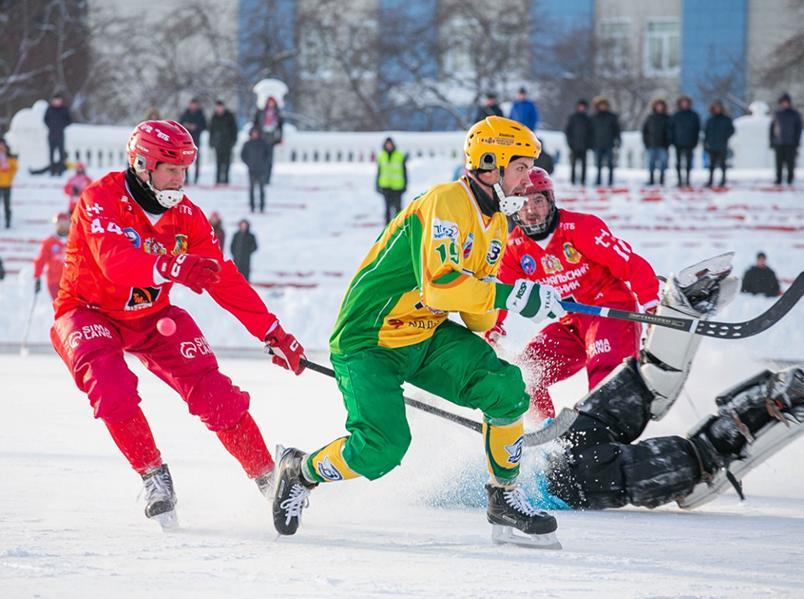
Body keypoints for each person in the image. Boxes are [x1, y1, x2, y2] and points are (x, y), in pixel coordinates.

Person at [269, 116, 566, 549]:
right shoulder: (446, 201)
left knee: (504, 387)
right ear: (491, 162)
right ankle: (300, 470)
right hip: (368, 340)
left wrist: (524, 300)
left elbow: (477, 317)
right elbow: (441, 286)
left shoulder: (499, 225)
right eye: (520, 168)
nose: (528, 179)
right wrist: (509, 294)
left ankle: (503, 498)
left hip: (424, 333)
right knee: (383, 449)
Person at [49, 119, 305, 528]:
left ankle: (269, 480)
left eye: (184, 170)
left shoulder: (187, 216)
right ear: (141, 165)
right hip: (87, 311)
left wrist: (272, 333)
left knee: (215, 394)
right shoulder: (101, 198)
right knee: (112, 386)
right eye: (171, 169)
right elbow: (114, 262)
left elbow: (226, 280)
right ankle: (153, 476)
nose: (179, 179)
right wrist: (171, 265)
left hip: (153, 317)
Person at [517, 270, 804, 515]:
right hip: (558, 456)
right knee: (641, 387)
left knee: (689, 457)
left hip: (568, 477)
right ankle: (680, 309)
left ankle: (772, 403)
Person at [486, 167, 659, 420]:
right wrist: (493, 326)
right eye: (523, 203)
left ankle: (605, 435)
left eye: (538, 201)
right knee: (525, 373)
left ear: (551, 201)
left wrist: (652, 306)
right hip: (572, 324)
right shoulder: (515, 247)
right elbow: (502, 292)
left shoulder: (580, 228)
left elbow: (630, 264)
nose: (531, 211)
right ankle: (545, 434)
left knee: (605, 373)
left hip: (610, 312)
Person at [33, 212, 71, 300]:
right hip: (54, 280)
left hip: (71, 281)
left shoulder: (74, 240)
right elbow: (40, 260)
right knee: (59, 305)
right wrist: (37, 276)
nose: (62, 226)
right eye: (59, 223)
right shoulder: (49, 242)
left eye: (64, 223)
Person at [770, 93, 802, 185]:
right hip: (779, 142)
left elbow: (798, 129)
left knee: (790, 163)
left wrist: (796, 142)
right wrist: (772, 141)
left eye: (786, 102)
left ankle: (790, 178)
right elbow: (772, 128)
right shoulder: (777, 114)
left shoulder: (795, 114)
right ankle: (778, 178)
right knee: (778, 163)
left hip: (791, 143)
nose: (784, 104)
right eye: (782, 102)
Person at [670, 95, 701, 187]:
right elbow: (671, 129)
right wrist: (673, 141)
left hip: (690, 143)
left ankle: (687, 180)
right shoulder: (676, 115)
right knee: (678, 163)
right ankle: (679, 180)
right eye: (683, 102)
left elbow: (697, 130)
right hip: (678, 143)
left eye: (686, 102)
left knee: (688, 163)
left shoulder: (694, 115)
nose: (684, 104)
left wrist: (695, 141)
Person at [376, 137, 408, 224]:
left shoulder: (399, 156)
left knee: (398, 208)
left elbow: (404, 171)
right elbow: (379, 171)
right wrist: (377, 185)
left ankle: (399, 225)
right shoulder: (381, 156)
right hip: (386, 186)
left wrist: (405, 185)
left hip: (397, 186)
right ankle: (387, 227)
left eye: (390, 144)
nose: (389, 146)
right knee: (387, 209)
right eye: (387, 144)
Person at [703, 101, 735, 188]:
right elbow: (706, 132)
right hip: (712, 145)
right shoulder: (710, 120)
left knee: (722, 164)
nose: (717, 109)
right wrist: (705, 143)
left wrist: (724, 137)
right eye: (715, 108)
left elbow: (731, 130)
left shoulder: (726, 119)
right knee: (711, 165)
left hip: (722, 145)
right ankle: (710, 181)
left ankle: (723, 180)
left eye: (719, 107)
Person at [251, 96, 283, 184]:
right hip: (262, 138)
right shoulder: (261, 112)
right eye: (269, 102)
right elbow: (256, 124)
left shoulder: (277, 113)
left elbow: (280, 127)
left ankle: (267, 179)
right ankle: (260, 177)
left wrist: (280, 138)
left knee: (269, 160)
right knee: (260, 159)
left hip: (272, 139)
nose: (271, 104)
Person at [590, 97, 620, 187]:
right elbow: (590, 132)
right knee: (598, 165)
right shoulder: (593, 117)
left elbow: (617, 130)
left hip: (609, 144)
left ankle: (610, 181)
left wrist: (618, 141)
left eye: (604, 105)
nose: (602, 107)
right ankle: (598, 180)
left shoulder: (612, 117)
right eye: (601, 105)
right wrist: (591, 144)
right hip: (597, 144)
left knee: (610, 164)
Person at [179, 98, 208, 184]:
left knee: (197, 159)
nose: (193, 106)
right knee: (185, 159)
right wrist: (187, 126)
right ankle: (186, 177)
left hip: (196, 140)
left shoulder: (200, 114)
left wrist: (196, 127)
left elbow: (204, 126)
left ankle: (196, 178)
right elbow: (180, 125)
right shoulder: (185, 113)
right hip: (186, 141)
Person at [642, 99, 670, 186]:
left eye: (661, 105)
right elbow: (645, 131)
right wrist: (647, 143)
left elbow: (670, 132)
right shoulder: (650, 118)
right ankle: (651, 179)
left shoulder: (667, 118)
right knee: (651, 163)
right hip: (651, 144)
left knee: (663, 163)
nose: (659, 107)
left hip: (663, 145)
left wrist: (667, 143)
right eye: (657, 105)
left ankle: (662, 180)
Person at [564, 99, 592, 185]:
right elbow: (567, 131)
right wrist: (570, 143)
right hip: (574, 145)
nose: (581, 108)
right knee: (573, 165)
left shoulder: (588, 119)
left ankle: (583, 180)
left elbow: (590, 133)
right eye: (580, 106)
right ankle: (572, 180)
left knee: (584, 165)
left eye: (583, 106)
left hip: (584, 146)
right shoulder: (572, 117)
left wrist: (588, 144)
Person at [209, 100, 238, 185]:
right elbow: (211, 130)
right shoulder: (214, 116)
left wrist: (233, 141)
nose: (219, 109)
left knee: (227, 162)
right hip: (218, 143)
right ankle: (217, 179)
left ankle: (226, 179)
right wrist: (211, 142)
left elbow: (234, 130)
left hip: (227, 143)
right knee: (218, 162)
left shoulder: (229, 116)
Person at [240, 128, 269, 213]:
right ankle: (252, 207)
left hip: (262, 170)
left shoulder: (264, 143)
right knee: (252, 189)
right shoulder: (247, 144)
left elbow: (268, 155)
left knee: (261, 189)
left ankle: (262, 207)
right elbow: (243, 155)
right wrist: (248, 163)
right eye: (253, 133)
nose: (254, 134)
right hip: (252, 170)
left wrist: (264, 164)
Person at [43, 93, 72, 176]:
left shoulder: (64, 109)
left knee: (61, 153)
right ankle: (52, 171)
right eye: (55, 100)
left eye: (58, 100)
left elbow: (69, 120)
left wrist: (62, 126)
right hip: (51, 134)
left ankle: (60, 171)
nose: (56, 102)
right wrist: (50, 126)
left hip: (60, 134)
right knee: (51, 153)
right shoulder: (49, 109)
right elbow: (45, 119)